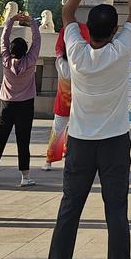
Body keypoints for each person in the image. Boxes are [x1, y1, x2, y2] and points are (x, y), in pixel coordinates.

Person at [43, 0, 131, 259]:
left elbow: (67, 12)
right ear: (115, 30)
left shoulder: (76, 50)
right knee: (115, 210)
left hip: (81, 142)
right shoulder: (120, 51)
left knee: (69, 209)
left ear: (89, 31)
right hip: (115, 140)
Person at [0, 9, 42, 188]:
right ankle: (25, 177)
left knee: (0, 139)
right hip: (25, 105)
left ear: (11, 50)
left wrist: (11, 20)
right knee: (23, 141)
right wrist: (31, 21)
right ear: (26, 50)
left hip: (7, 105)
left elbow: (3, 39)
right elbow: (37, 40)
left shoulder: (6, 60)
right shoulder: (30, 60)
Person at [46, 24, 78, 170]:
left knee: (57, 131)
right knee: (74, 134)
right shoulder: (79, 65)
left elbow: (58, 49)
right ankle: (71, 158)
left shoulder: (60, 63)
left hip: (62, 104)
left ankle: (49, 161)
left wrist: (64, 31)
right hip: (78, 105)